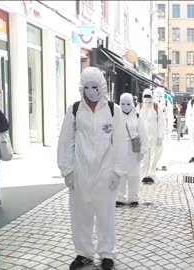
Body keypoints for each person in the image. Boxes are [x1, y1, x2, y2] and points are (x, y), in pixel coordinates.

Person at [57, 67, 127, 270]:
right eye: (87, 87)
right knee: (80, 215)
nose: (91, 91)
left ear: (102, 86)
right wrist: (67, 170)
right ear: (82, 88)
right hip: (80, 171)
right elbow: (66, 141)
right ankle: (83, 253)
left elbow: (121, 142)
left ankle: (107, 254)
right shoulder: (75, 109)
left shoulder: (113, 110)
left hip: (106, 172)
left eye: (95, 86)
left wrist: (118, 171)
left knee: (105, 215)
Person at [116, 93, 148, 207]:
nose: (125, 106)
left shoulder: (137, 117)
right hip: (120, 150)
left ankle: (133, 197)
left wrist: (143, 150)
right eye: (123, 103)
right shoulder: (116, 116)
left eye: (128, 103)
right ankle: (120, 197)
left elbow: (143, 133)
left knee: (134, 175)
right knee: (121, 174)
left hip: (134, 150)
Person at [139, 89, 165, 184]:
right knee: (144, 156)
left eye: (149, 101)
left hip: (154, 136)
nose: (147, 103)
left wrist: (160, 136)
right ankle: (143, 175)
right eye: (145, 101)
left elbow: (161, 122)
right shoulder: (139, 107)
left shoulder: (156, 107)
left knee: (154, 156)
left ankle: (151, 174)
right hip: (143, 137)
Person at [154, 87, 173, 172]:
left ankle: (164, 163)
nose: (159, 97)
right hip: (154, 129)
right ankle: (156, 164)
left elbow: (170, 116)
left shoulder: (166, 103)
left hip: (164, 129)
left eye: (160, 95)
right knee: (155, 147)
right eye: (157, 95)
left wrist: (169, 127)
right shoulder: (152, 103)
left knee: (164, 147)